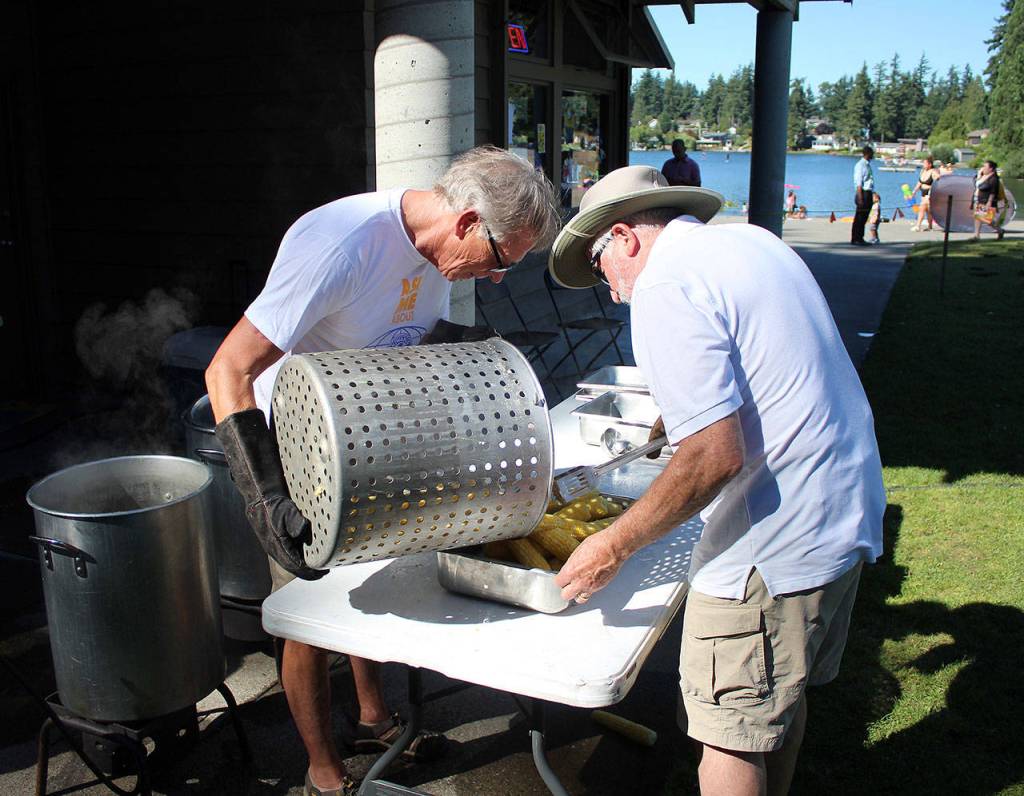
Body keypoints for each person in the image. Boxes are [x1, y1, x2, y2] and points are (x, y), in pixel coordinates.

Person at [206, 146, 559, 796]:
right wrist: (265, 497)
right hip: (294, 450)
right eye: (501, 260)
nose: (498, 278)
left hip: (367, 433)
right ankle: (322, 771)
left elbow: (404, 340)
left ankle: (372, 718)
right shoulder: (342, 245)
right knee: (308, 616)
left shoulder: (438, 253)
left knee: (371, 579)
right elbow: (228, 369)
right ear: (467, 222)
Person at [547, 165, 885, 796]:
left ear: (624, 236)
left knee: (729, 733)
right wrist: (677, 421)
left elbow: (714, 456)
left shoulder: (664, 284)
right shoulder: (750, 241)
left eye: (599, 268)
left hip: (771, 545)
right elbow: (765, 373)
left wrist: (613, 545)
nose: (611, 292)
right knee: (776, 703)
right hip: (844, 509)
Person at [972, 160, 1004, 241]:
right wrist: (979, 175)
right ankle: (976, 235)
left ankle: (1000, 230)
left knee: (986, 219)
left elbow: (993, 192)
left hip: (986, 200)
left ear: (991, 169)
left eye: (985, 166)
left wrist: (989, 202)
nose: (983, 168)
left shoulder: (994, 179)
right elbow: (977, 184)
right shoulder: (983, 176)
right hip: (977, 199)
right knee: (977, 217)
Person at [851, 145, 875, 245]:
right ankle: (855, 238)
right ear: (867, 154)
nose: (873, 156)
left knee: (864, 217)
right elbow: (859, 182)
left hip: (868, 192)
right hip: (862, 192)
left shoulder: (867, 165)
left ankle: (860, 237)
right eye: (872, 154)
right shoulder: (860, 165)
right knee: (859, 217)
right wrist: (860, 197)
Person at [911, 157, 940, 231]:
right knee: (928, 210)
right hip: (923, 193)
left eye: (925, 163)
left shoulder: (933, 172)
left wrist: (937, 176)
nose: (923, 165)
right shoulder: (923, 171)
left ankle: (918, 226)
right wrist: (914, 191)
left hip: (929, 193)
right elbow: (919, 182)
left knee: (922, 208)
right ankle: (930, 227)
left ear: (930, 164)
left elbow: (938, 180)